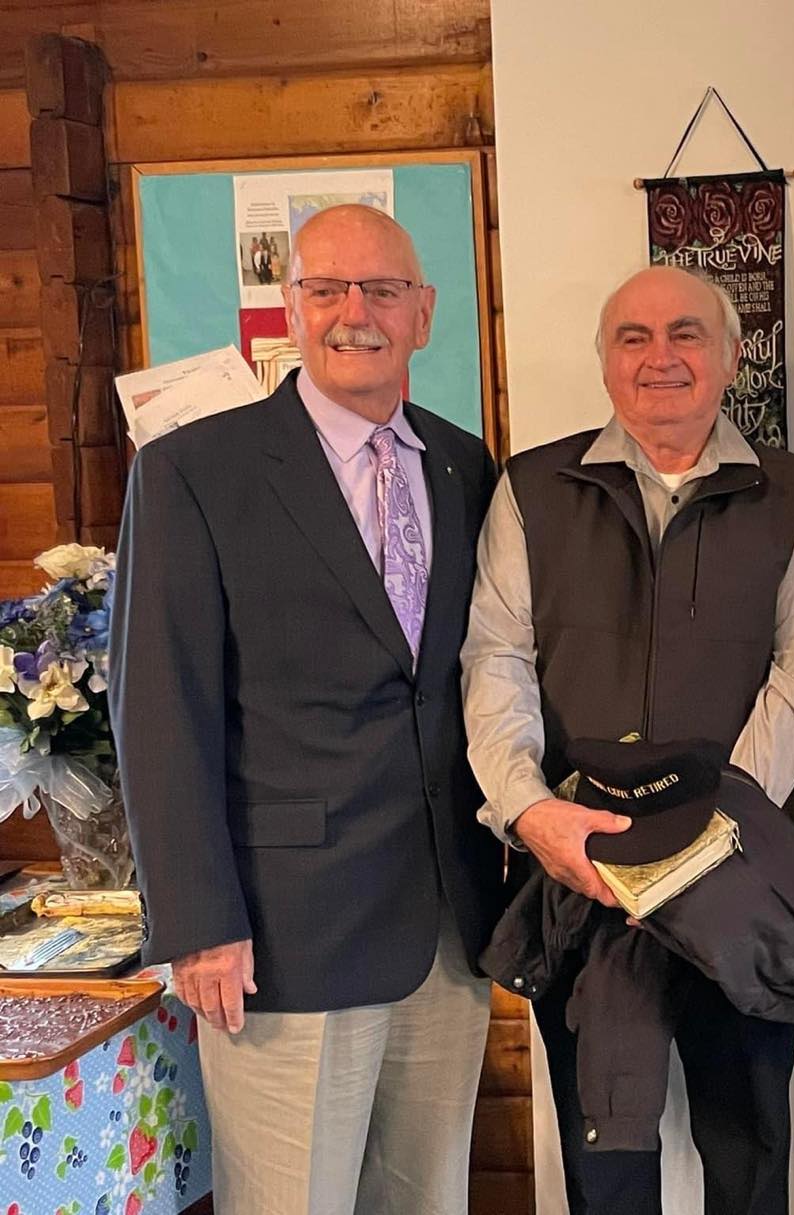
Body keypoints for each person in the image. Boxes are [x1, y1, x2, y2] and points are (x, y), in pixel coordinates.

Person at [109, 204, 503, 1215]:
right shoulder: (195, 472)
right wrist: (197, 924)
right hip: (283, 935)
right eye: (326, 288)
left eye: (380, 290)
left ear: (425, 312)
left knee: (428, 1200)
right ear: (291, 307)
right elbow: (160, 711)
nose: (353, 312)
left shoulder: (466, 469)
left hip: (447, 928)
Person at [460, 264, 794, 1215]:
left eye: (685, 333)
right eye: (633, 337)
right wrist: (528, 811)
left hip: (737, 872)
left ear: (731, 354)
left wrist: (703, 845)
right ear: (604, 359)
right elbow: (494, 659)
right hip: (575, 866)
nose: (659, 356)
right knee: (605, 1155)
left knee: (747, 1146)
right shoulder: (531, 488)